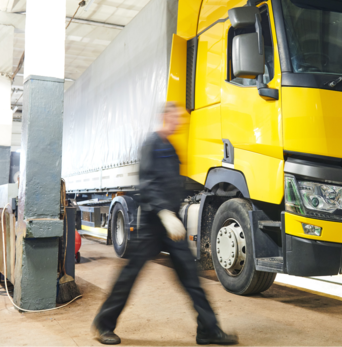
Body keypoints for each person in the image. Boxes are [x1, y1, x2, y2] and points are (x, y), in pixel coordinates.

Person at [92, 102, 238, 345]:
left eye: (180, 118)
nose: (178, 121)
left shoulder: (172, 147)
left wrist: (175, 213)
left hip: (172, 222)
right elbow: (147, 183)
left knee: (191, 277)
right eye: (174, 117)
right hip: (153, 222)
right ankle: (103, 324)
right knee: (130, 274)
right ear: (165, 117)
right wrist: (163, 213)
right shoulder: (152, 144)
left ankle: (208, 330)